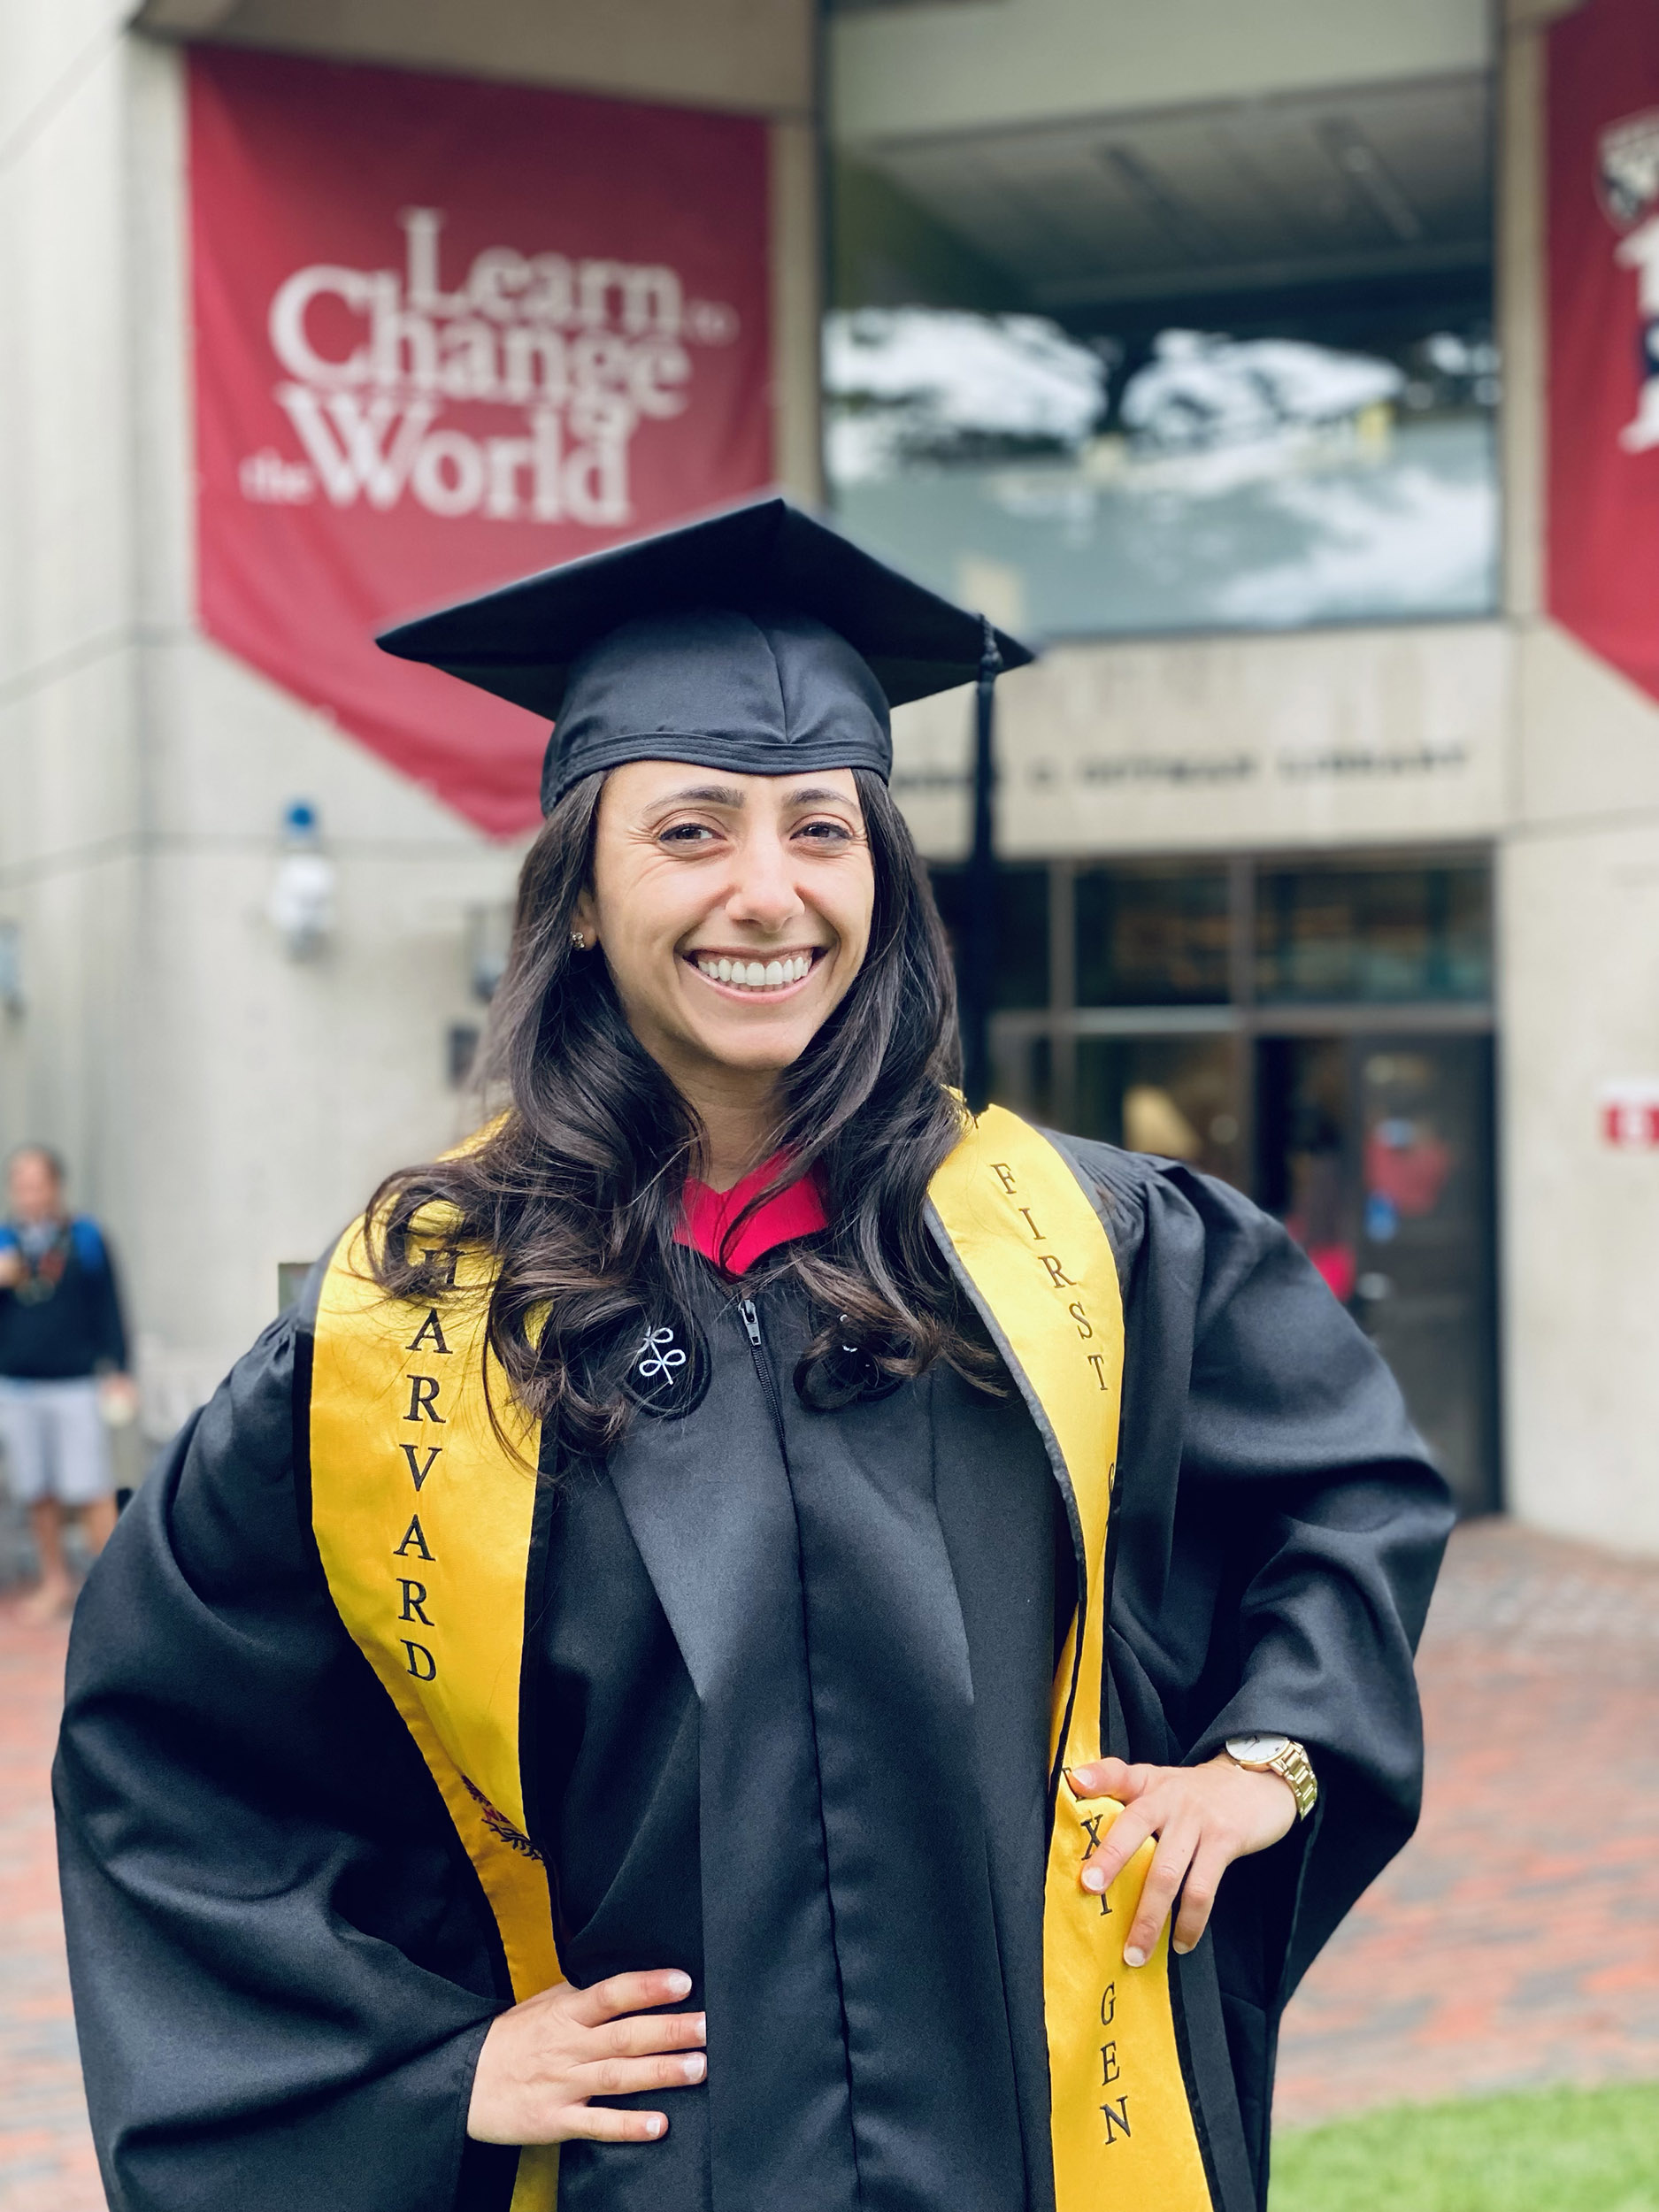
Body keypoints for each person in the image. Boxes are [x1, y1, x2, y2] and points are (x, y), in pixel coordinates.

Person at [54, 499, 1452, 2212]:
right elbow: (173, 1752)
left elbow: (1345, 1486)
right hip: (641, 2173)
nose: (765, 891)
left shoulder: (1069, 1249)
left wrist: (1269, 1750)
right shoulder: (407, 1330)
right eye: (692, 829)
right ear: (578, 892)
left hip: (1015, 2147)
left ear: (879, 872)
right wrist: (426, 2062)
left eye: (819, 828)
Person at [0, 1145, 135, 1619]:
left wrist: (121, 1369)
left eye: (36, 1183)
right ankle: (54, 1582)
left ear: (55, 1185)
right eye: (19, 1184)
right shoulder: (4, 1241)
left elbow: (111, 1308)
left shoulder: (86, 1238)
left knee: (92, 1488)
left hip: (76, 1382)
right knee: (38, 1490)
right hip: (17, 1385)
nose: (28, 1193)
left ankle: (115, 1591)